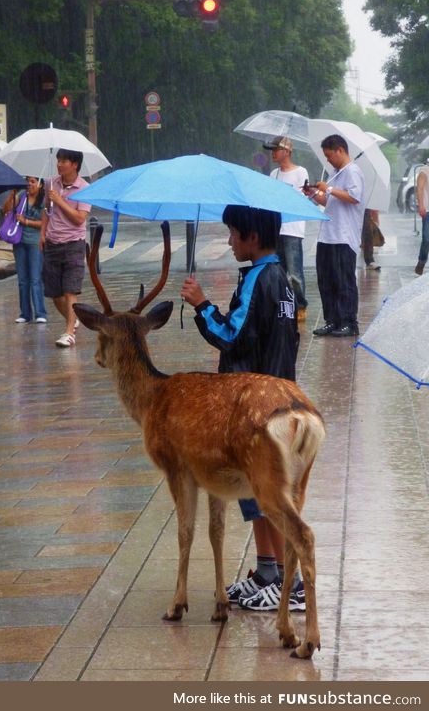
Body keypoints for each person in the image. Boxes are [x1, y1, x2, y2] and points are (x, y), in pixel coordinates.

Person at [180, 205, 305, 612]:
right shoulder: (281, 278)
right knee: (256, 493)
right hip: (277, 393)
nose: (230, 241)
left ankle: (291, 581)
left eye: (234, 234)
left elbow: (231, 336)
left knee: (268, 496)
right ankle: (267, 571)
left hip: (256, 404)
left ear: (252, 237)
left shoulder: (257, 278)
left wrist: (201, 305)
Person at [309, 134, 365, 338]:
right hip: (327, 236)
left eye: (329, 155)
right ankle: (332, 320)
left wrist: (329, 188)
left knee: (344, 281)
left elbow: (353, 197)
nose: (328, 159)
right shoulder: (336, 172)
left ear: (340, 150)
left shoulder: (353, 172)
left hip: (344, 237)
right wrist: (314, 194)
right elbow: (330, 203)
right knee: (326, 280)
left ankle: (349, 322)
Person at [41, 149, 91, 348]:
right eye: (58, 160)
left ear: (75, 164)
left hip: (74, 244)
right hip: (53, 243)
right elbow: (46, 210)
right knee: (55, 293)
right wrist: (42, 233)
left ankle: (69, 332)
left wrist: (60, 200)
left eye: (64, 161)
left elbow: (79, 218)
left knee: (71, 290)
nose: (60, 164)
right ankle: (73, 318)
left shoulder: (85, 189)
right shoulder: (50, 183)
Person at [264, 136, 309, 320]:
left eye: (276, 149)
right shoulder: (274, 174)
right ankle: (283, 304)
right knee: (279, 271)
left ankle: (300, 305)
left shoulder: (300, 172)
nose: (273, 153)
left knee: (295, 272)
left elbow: (302, 198)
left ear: (287, 152)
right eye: (272, 150)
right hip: (276, 228)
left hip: (293, 229)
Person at [3, 177, 47, 324]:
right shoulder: (22, 196)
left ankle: (40, 312)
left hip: (35, 242)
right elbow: (7, 210)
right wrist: (12, 194)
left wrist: (26, 221)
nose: (30, 184)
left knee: (35, 278)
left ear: (40, 184)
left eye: (33, 181)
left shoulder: (44, 200)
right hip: (19, 241)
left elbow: (45, 223)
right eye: (28, 181)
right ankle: (25, 313)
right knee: (22, 279)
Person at [414, 162, 429, 275]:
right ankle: (421, 262)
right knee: (426, 238)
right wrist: (421, 205)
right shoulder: (424, 171)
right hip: (428, 210)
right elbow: (419, 189)